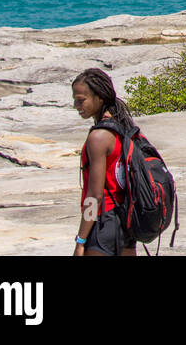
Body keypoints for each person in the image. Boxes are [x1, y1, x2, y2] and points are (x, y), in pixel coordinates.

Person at [71, 68, 138, 257]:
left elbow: (94, 196)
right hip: (125, 222)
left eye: (81, 99)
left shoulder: (98, 137)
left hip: (103, 224)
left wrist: (81, 240)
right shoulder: (122, 127)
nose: (76, 105)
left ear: (99, 98)